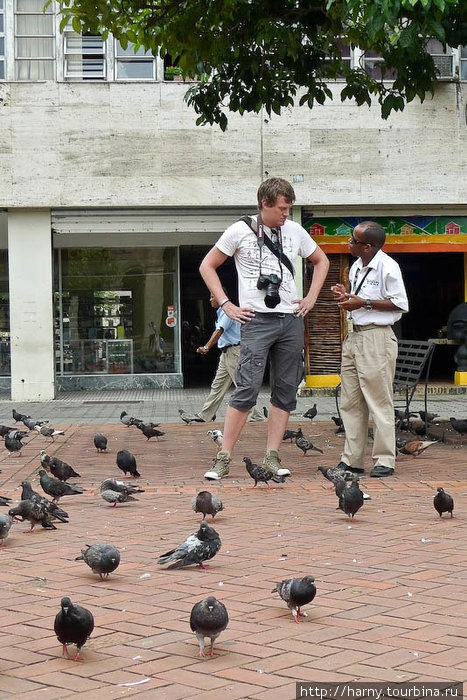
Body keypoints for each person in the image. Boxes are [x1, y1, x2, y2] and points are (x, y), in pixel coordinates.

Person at [199, 177, 329, 480]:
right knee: (246, 387)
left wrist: (310, 297)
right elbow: (207, 265)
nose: (286, 214)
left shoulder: (295, 231)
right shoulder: (240, 230)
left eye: (289, 208)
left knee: (285, 389)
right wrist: (226, 304)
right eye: (282, 208)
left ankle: (272, 456)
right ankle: (224, 457)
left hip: (290, 319)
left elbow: (320, 261)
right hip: (256, 320)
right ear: (265, 204)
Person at [331, 221, 409, 478]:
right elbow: (360, 300)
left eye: (353, 241)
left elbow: (400, 304)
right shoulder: (356, 266)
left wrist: (362, 302)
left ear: (367, 246)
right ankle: (352, 459)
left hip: (377, 338)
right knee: (351, 401)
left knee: (378, 401)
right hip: (354, 337)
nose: (348, 244)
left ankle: (385, 459)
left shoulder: (388, 266)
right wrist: (347, 295)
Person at [192, 293, 264, 423]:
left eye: (212, 297)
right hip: (226, 353)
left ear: (220, 299)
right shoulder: (222, 312)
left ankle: (256, 415)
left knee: (242, 385)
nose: (209, 300)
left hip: (234, 352)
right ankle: (206, 415)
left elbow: (219, 331)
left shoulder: (227, 312)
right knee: (217, 385)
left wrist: (207, 347)